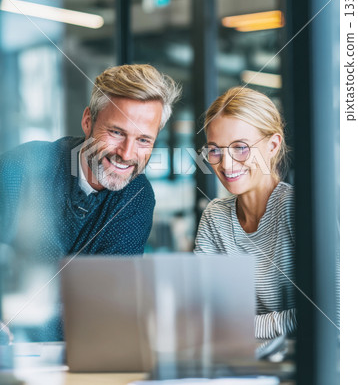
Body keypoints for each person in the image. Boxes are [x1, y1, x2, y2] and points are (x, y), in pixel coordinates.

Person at [0, 64, 180, 339]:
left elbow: (103, 303)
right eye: (117, 132)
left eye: (144, 140)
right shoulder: (23, 167)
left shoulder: (137, 196)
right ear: (88, 121)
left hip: (71, 353)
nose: (127, 153)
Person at [194, 87, 296, 340]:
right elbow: (201, 314)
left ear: (272, 146)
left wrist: (243, 327)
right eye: (215, 150)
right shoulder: (215, 217)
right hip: (238, 366)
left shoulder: (297, 209)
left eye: (240, 147)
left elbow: (334, 313)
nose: (226, 164)